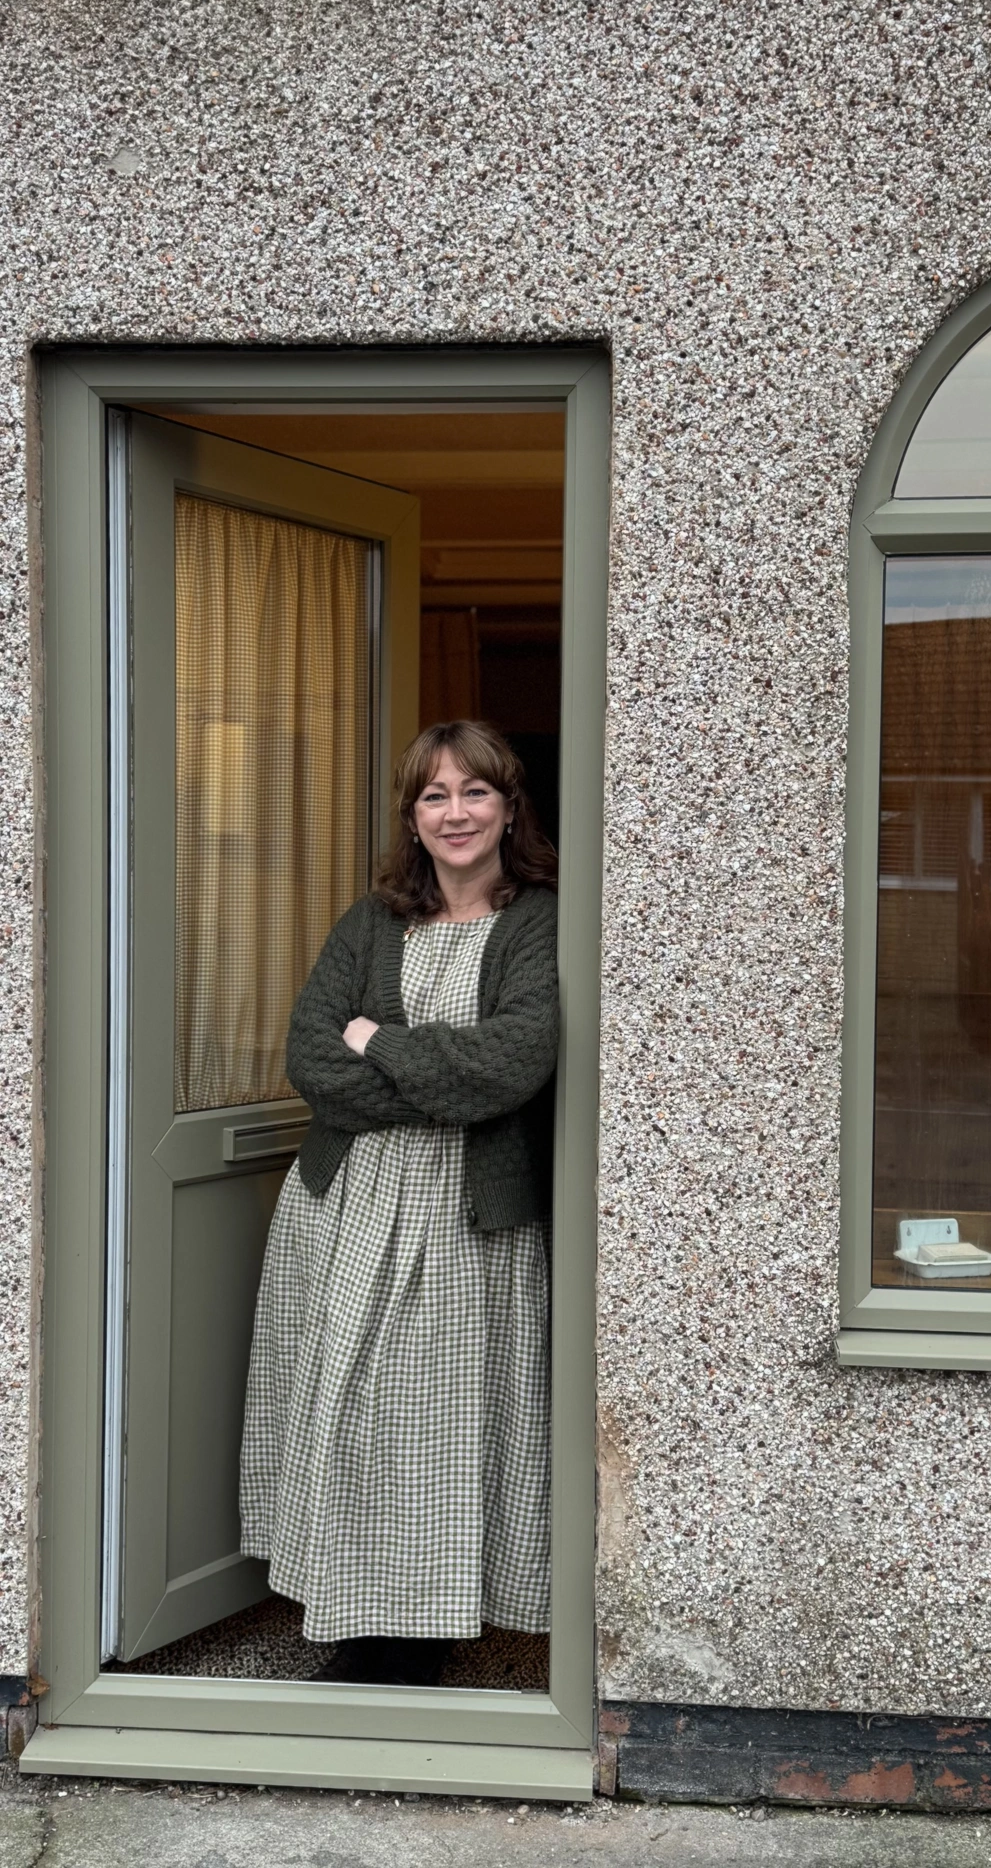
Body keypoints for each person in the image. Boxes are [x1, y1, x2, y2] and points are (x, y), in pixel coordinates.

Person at [239, 719, 559, 1687]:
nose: (454, 813)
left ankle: (426, 1634)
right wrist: (432, 1076)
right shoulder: (372, 922)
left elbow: (511, 1065)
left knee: (440, 1431)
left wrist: (377, 1040)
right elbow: (308, 1055)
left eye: (475, 792)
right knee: (353, 1424)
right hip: (346, 1212)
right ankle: (359, 1620)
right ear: (412, 819)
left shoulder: (537, 920)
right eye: (434, 795)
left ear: (509, 808)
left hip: (465, 1222)